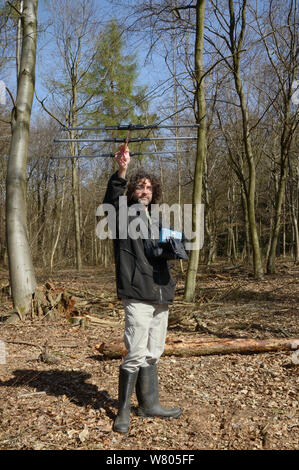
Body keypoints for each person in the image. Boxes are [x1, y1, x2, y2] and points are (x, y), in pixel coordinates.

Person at [102, 143, 182, 434]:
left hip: (161, 292)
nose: (145, 190)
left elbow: (158, 253)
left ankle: (150, 405)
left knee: (153, 352)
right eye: (140, 186)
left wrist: (174, 247)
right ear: (132, 190)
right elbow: (110, 202)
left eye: (148, 187)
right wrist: (121, 171)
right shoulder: (122, 215)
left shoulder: (158, 218)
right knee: (135, 352)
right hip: (137, 293)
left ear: (154, 192)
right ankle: (123, 413)